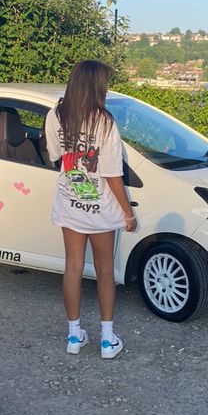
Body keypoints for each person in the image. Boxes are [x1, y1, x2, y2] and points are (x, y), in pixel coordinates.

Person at [44, 60, 137, 359]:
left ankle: (74, 337)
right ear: (97, 86)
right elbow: (112, 174)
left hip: (69, 202)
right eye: (104, 84)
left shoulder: (56, 115)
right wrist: (128, 213)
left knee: (72, 267)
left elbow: (55, 155)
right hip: (101, 209)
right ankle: (107, 341)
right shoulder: (105, 121)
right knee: (105, 270)